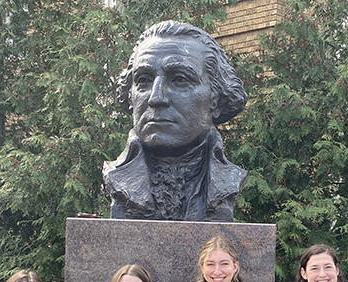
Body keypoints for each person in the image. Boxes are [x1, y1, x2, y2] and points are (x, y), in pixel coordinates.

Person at [104, 20, 248, 222]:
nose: (156, 98)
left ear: (215, 97)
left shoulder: (228, 179)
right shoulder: (116, 178)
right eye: (143, 80)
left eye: (180, 79)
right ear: (130, 95)